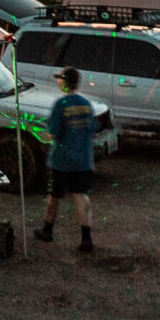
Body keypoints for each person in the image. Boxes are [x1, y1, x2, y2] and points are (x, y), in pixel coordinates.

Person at [38, 66, 97, 253]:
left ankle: (47, 230)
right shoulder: (87, 105)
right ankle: (86, 238)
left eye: (59, 79)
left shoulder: (61, 105)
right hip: (83, 159)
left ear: (64, 82)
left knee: (54, 196)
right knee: (80, 196)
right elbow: (93, 130)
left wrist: (40, 133)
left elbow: (53, 133)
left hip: (61, 160)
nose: (58, 82)